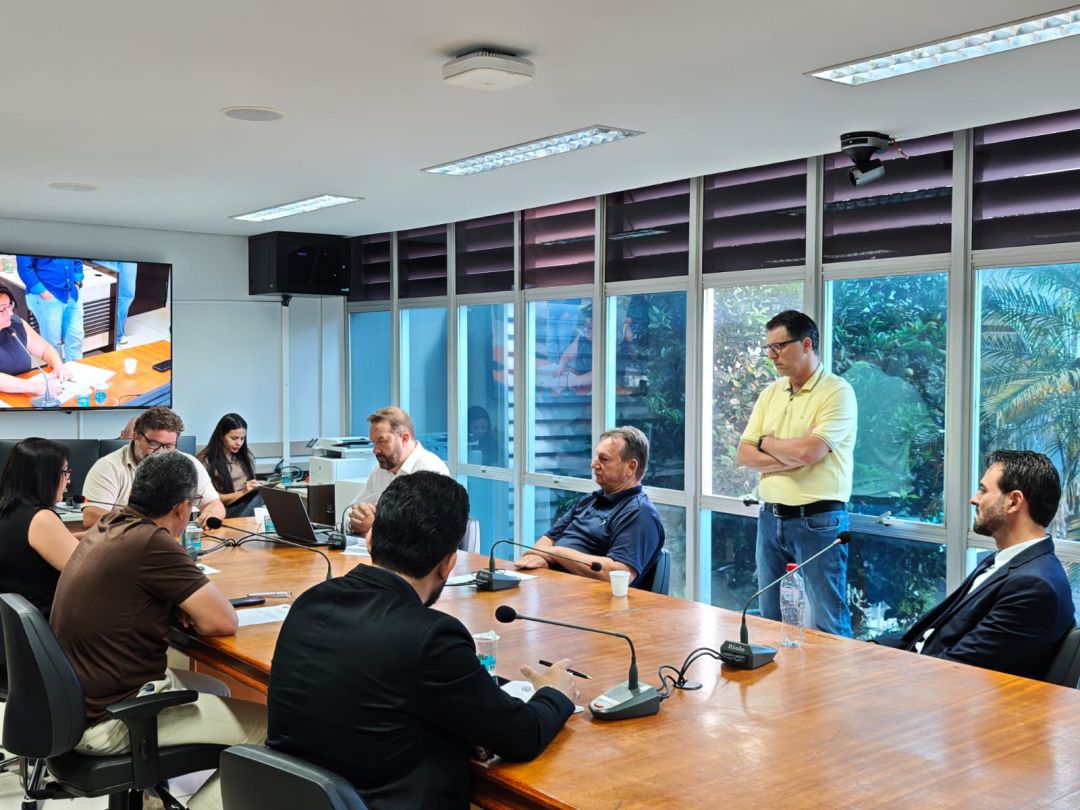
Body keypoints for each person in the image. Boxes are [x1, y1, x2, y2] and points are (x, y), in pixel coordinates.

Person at [267, 472, 577, 808]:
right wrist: (553, 693)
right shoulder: (431, 637)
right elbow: (522, 736)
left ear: (371, 542)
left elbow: (366, 709)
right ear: (448, 564)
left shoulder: (310, 601)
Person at [50, 452, 267, 810]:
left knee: (218, 688)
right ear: (183, 507)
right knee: (274, 734)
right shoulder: (153, 542)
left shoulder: (110, 525)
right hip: (113, 719)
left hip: (77, 704)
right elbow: (222, 621)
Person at [876, 451, 1075, 680]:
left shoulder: (1034, 586)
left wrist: (884, 672)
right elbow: (930, 637)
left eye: (983, 490)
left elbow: (958, 670)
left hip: (934, 691)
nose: (974, 499)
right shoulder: (1003, 562)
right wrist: (868, 651)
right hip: (918, 671)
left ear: (1013, 501)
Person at [737, 309, 858, 637]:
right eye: (769, 348)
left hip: (818, 521)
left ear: (806, 344)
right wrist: (787, 455)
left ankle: (835, 689)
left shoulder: (836, 392)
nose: (772, 356)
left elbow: (811, 451)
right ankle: (778, 690)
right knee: (768, 616)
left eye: (780, 346)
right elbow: (744, 453)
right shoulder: (771, 393)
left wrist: (768, 443)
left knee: (826, 620)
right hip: (770, 518)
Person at [515, 426, 665, 588]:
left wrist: (555, 553)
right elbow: (542, 545)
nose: (594, 464)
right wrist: (544, 558)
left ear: (631, 467)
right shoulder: (588, 501)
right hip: (554, 587)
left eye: (604, 459)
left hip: (592, 603)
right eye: (596, 457)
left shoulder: (639, 514)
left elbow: (615, 574)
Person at [81, 406, 225, 528]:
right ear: (136, 436)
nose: (161, 453)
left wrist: (210, 515)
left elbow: (214, 504)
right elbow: (91, 517)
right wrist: (147, 526)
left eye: (169, 446)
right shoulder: (108, 466)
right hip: (128, 545)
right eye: (154, 444)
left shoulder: (189, 464)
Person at [0, 438, 80, 618]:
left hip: (14, 628)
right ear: (45, 475)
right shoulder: (40, 519)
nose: (68, 480)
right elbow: (87, 570)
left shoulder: (8, 511)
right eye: (66, 472)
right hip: (48, 623)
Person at [347, 406, 449, 535]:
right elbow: (351, 512)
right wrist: (356, 519)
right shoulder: (379, 471)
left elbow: (427, 533)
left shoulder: (430, 470)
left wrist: (375, 526)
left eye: (382, 441)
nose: (375, 450)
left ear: (404, 439)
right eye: (373, 442)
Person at [0, 284, 73, 397]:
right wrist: (35, 387)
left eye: (10, 305)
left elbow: (45, 349)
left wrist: (58, 365)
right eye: (2, 309)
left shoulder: (14, 323)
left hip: (21, 394)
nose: (10, 312)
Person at [15, 254, 85, 361]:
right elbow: (25, 267)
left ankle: (75, 372)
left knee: (76, 336)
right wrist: (42, 292)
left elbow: (77, 255)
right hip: (48, 295)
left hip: (72, 293)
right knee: (52, 343)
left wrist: (78, 281)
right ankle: (58, 374)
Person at [197, 413, 263, 518]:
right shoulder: (206, 460)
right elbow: (210, 498)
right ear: (221, 436)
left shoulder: (245, 456)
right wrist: (243, 492)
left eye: (242, 438)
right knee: (259, 496)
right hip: (221, 511)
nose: (239, 443)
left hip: (245, 505)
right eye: (234, 438)